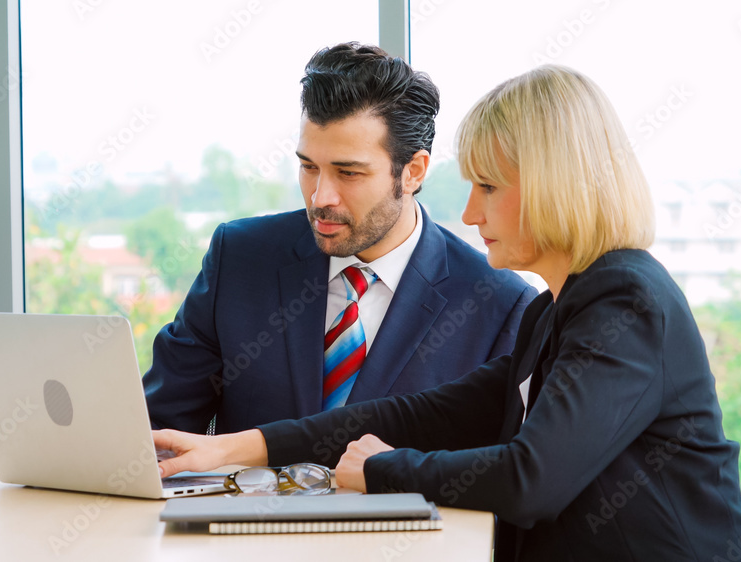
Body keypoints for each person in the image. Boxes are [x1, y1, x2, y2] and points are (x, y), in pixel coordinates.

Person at [152, 65, 741, 561]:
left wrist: (386, 471)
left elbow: (532, 480)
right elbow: (424, 414)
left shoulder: (626, 303)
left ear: (555, 184)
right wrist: (239, 449)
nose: (469, 214)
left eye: (489, 188)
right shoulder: (553, 314)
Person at [143, 42, 537, 435]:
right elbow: (154, 428)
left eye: (348, 173)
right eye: (309, 167)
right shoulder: (240, 260)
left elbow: (500, 476)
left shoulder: (500, 306)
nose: (320, 198)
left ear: (413, 172)